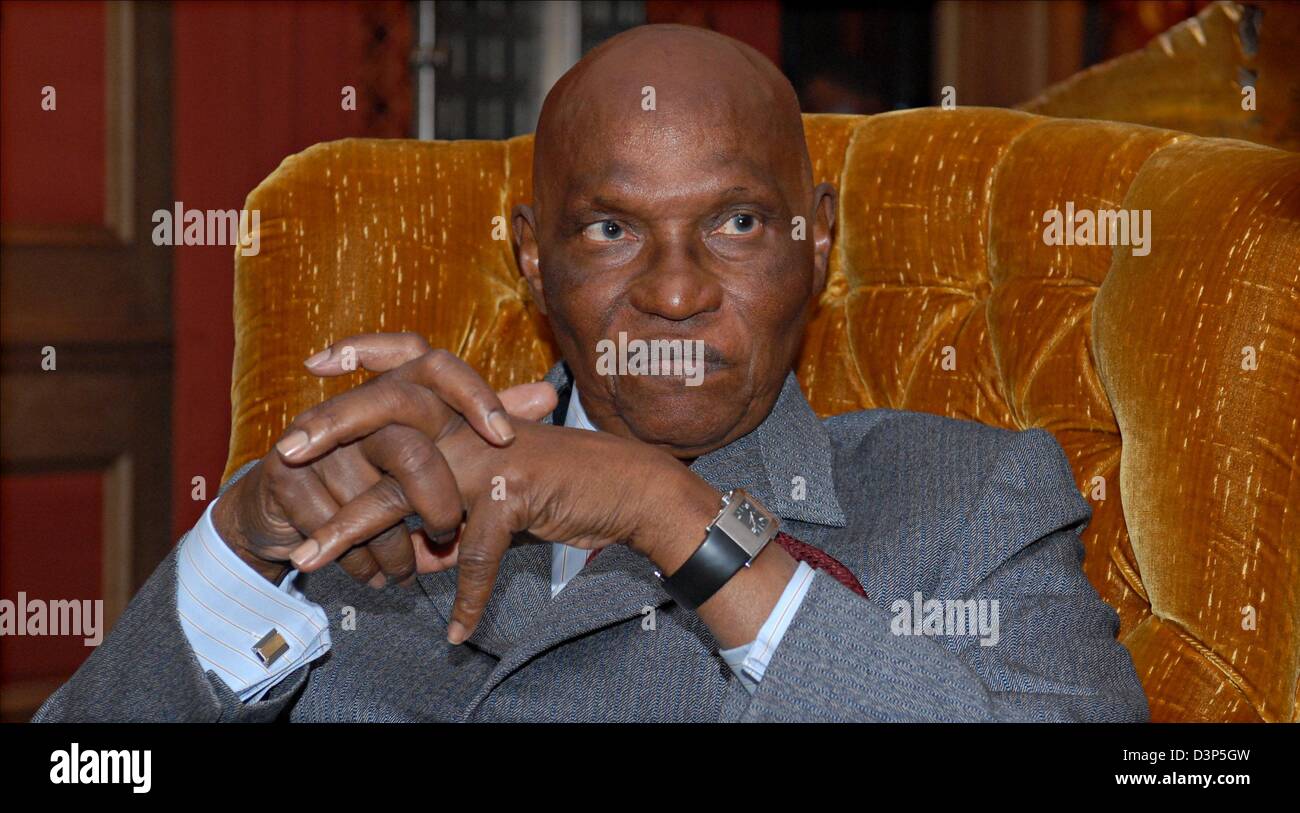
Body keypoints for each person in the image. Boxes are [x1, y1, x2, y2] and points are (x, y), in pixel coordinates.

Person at [34, 24, 1148, 722]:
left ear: (817, 240)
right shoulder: (393, 490)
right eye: (610, 230)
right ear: (533, 259)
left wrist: (670, 514)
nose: (673, 291)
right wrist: (246, 548)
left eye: (738, 221)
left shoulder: (966, 497)